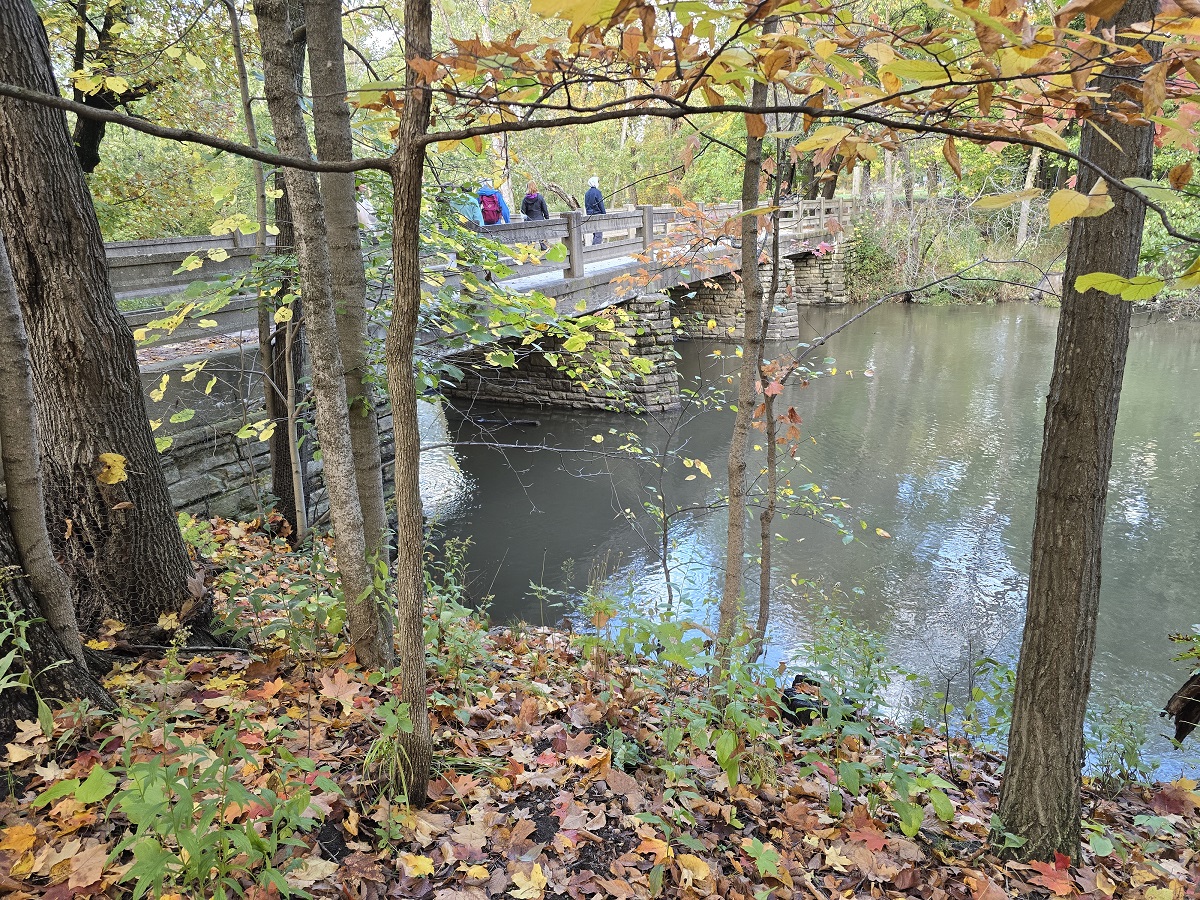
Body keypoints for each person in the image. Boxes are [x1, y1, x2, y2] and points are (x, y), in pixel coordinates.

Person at [521, 180, 551, 249]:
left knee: (531, 240)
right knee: (542, 239)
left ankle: (531, 252)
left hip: (529, 221)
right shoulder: (540, 197)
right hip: (539, 220)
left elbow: (523, 212)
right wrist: (547, 219)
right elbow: (545, 209)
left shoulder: (525, 199)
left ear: (527, 188)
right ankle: (544, 250)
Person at [584, 176, 606, 245]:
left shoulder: (587, 193)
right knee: (598, 235)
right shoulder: (597, 192)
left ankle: (594, 248)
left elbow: (586, 205)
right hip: (597, 215)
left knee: (595, 234)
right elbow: (601, 204)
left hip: (589, 215)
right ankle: (595, 249)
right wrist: (604, 214)